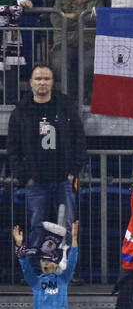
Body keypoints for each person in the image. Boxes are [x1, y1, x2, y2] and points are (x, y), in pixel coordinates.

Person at [8, 64, 85, 259]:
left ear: (52, 82)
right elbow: (13, 147)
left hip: (63, 179)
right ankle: (34, 270)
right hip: (36, 181)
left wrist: (72, 171)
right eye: (38, 79)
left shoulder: (65, 106)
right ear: (31, 82)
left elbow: (79, 139)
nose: (42, 82)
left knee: (66, 226)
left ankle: (66, 269)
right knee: (36, 226)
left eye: (46, 79)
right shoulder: (21, 110)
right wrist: (25, 177)